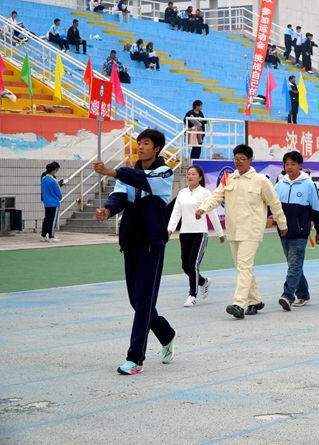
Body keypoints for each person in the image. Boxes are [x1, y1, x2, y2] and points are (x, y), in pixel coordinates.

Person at [93, 129, 177, 375]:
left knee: (144, 302)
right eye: (139, 143)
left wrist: (113, 171)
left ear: (157, 149)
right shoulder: (128, 173)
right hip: (130, 242)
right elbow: (119, 196)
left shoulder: (164, 172)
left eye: (146, 143)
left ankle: (135, 358)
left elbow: (142, 180)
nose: (140, 146)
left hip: (152, 243)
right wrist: (108, 210)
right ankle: (167, 334)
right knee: (137, 301)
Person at [196, 144, 288, 319]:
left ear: (250, 160)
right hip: (233, 229)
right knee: (242, 266)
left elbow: (274, 203)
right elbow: (216, 196)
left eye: (242, 159)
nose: (238, 162)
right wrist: (203, 208)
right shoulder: (228, 178)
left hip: (252, 229)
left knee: (244, 265)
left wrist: (282, 224)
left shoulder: (261, 181)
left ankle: (238, 304)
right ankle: (255, 300)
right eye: (236, 159)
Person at [168, 165, 224, 307]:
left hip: (200, 233)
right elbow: (176, 212)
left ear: (200, 177)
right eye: (188, 174)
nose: (190, 176)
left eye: (193, 174)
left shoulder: (205, 193)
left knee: (193, 264)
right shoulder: (182, 193)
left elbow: (212, 213)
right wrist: (170, 229)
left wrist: (220, 233)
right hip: (184, 233)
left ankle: (192, 295)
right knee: (185, 266)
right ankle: (203, 282)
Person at [274, 151, 319, 311]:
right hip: (283, 232)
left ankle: (288, 295)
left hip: (301, 233)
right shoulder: (279, 185)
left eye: (293, 164)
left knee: (294, 265)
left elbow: (316, 209)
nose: (289, 167)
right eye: (287, 164)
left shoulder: (308, 184)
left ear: (300, 165)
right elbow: (272, 206)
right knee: (294, 265)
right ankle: (303, 294)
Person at [40, 162, 63, 243]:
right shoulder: (53, 180)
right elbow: (59, 193)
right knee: (52, 221)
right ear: (53, 170)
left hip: (46, 203)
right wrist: (59, 198)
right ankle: (51, 236)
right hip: (54, 203)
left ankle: (43, 236)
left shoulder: (43, 178)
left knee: (46, 219)